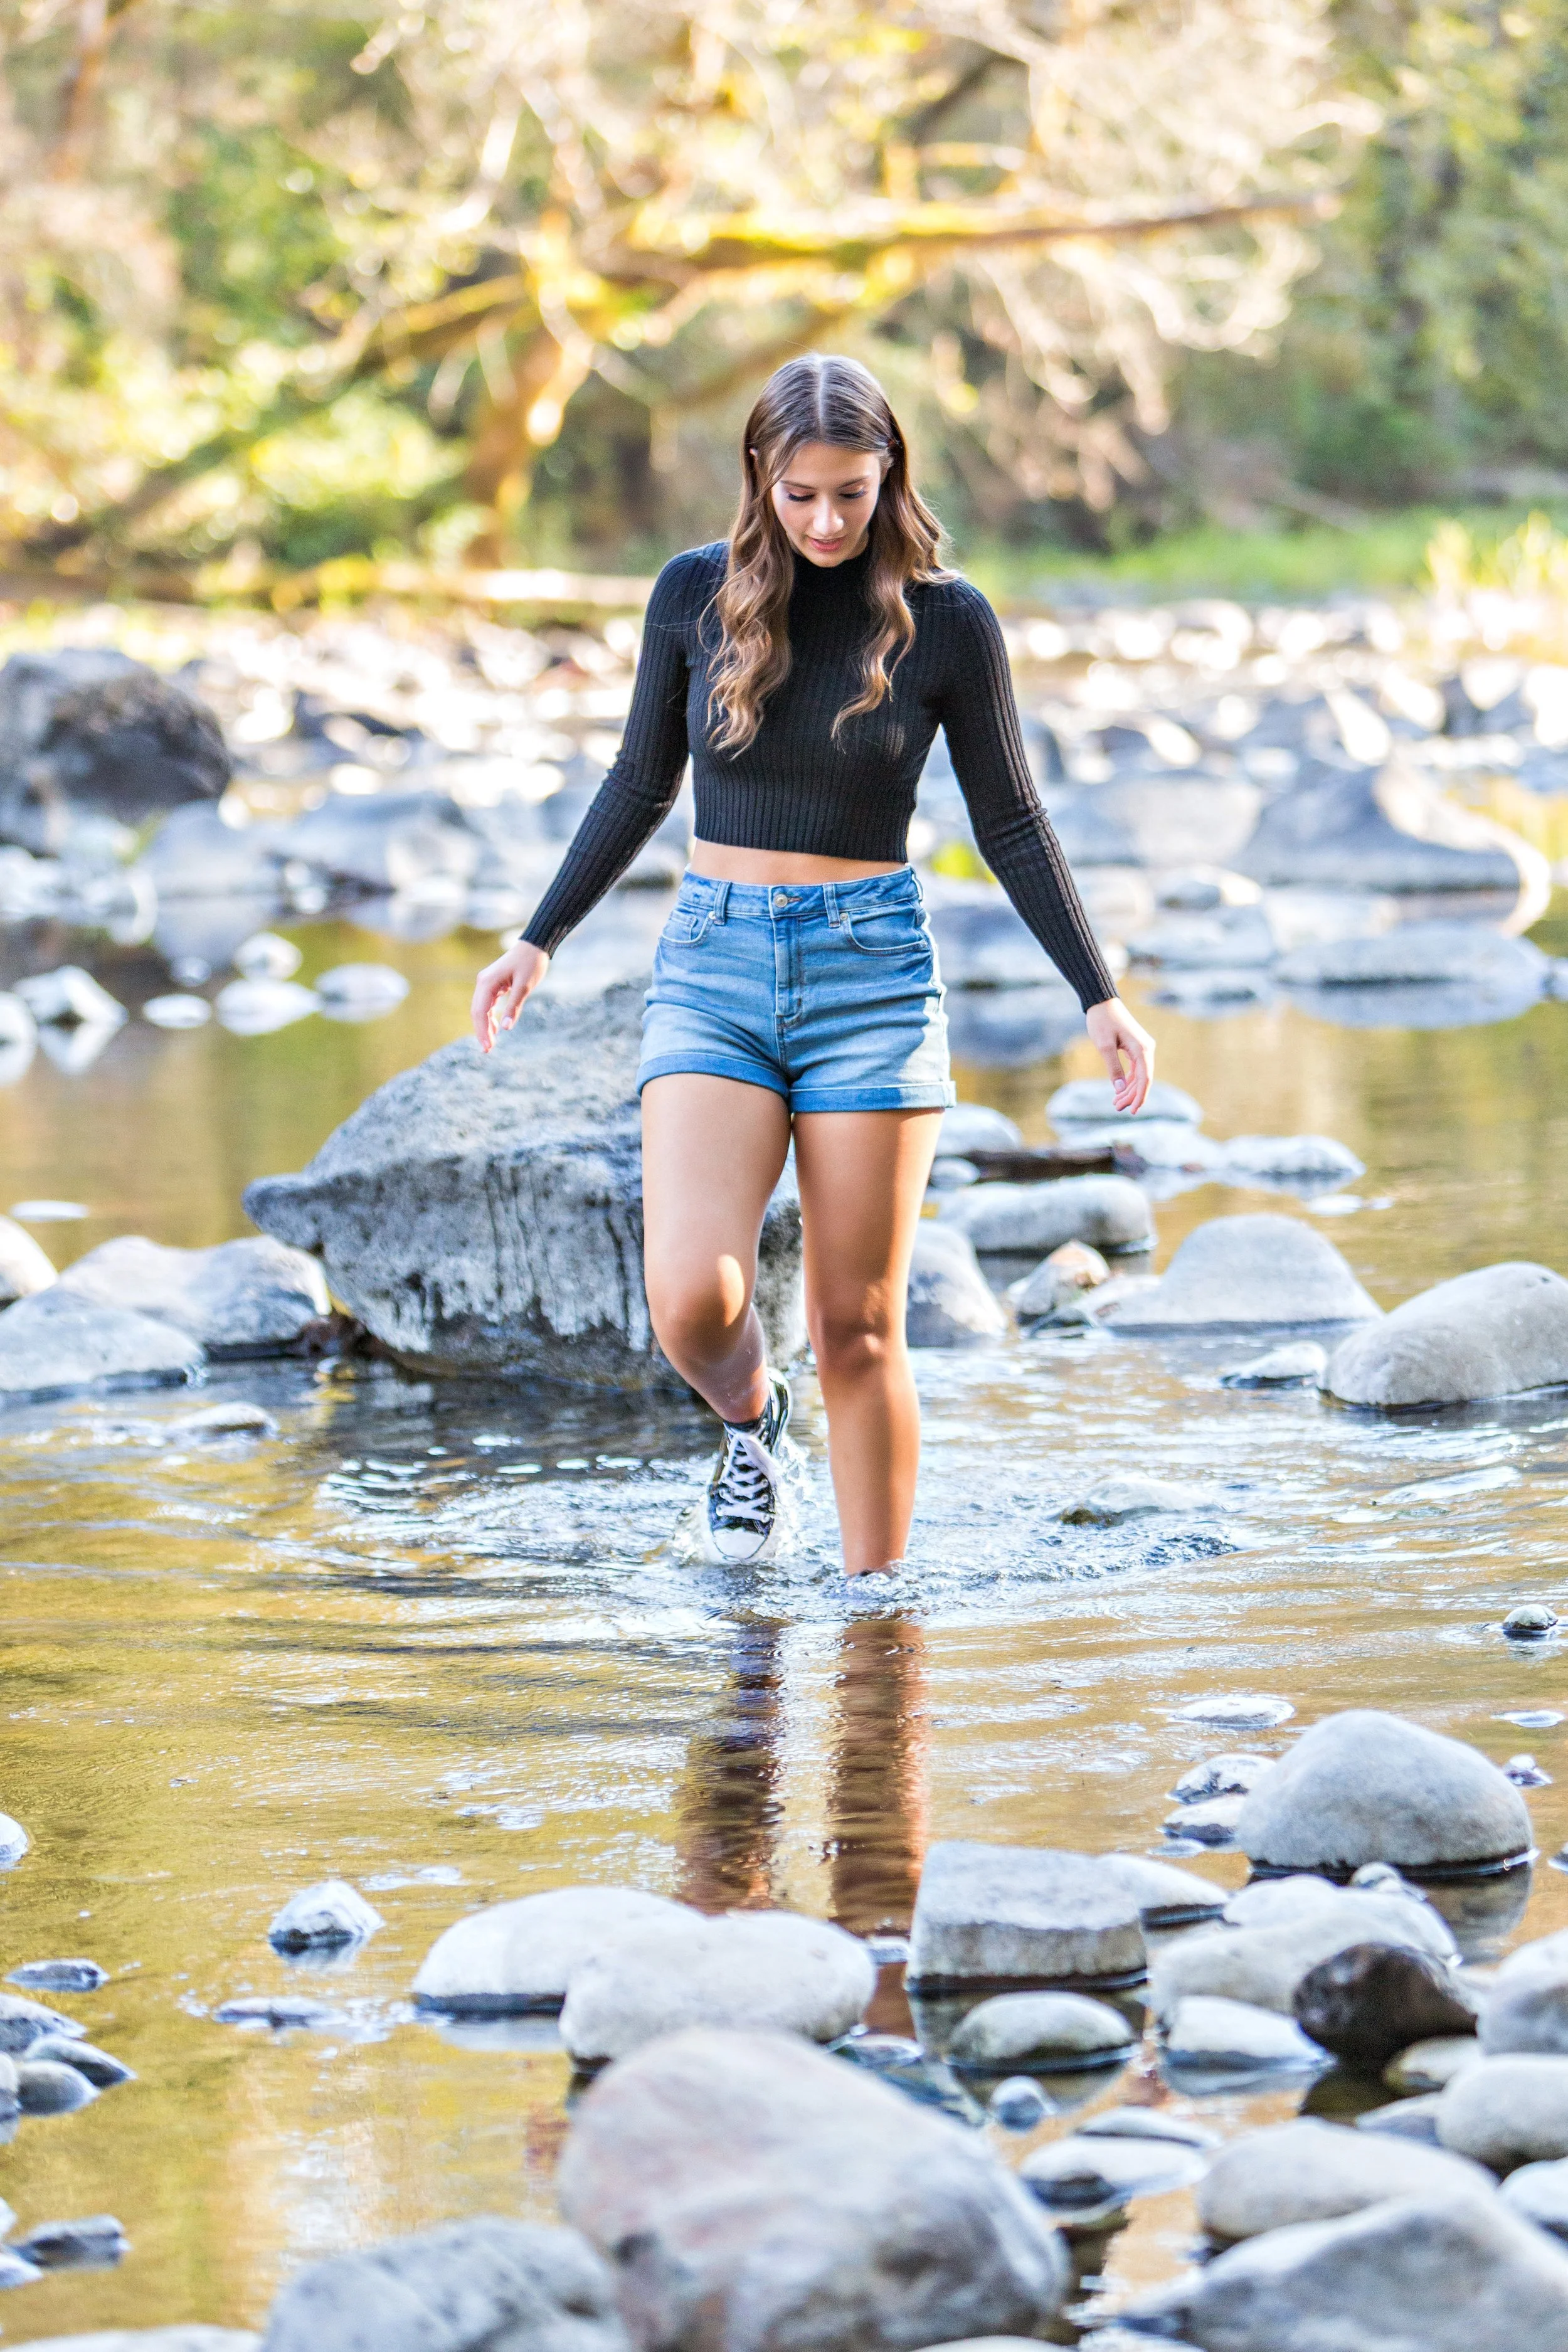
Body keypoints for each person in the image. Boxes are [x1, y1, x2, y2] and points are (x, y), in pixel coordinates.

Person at [471, 354, 1153, 1576]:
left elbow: (1009, 819)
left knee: (859, 1325)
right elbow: (640, 779)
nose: (828, 520)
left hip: (870, 978)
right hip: (714, 964)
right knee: (690, 1297)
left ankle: (876, 1620)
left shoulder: (945, 619)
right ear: (758, 478)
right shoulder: (693, 595)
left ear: (887, 473)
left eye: (850, 491)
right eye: (801, 495)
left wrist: (1095, 991)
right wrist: (537, 936)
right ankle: (747, 1424)